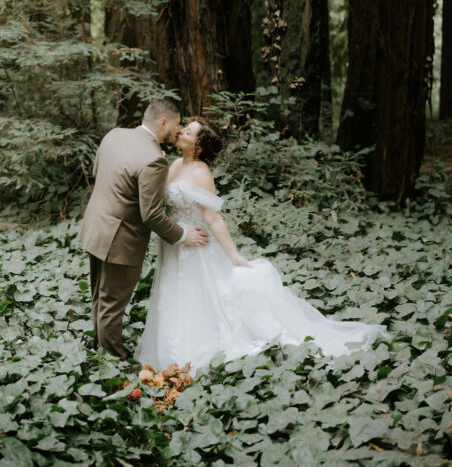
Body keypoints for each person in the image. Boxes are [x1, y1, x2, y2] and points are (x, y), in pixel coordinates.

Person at [136, 117, 390, 371]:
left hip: (195, 247)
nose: (180, 132)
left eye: (188, 132)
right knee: (172, 295)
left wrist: (233, 255)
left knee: (194, 298)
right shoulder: (176, 163)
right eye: (184, 128)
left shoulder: (201, 172)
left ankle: (191, 354)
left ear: (198, 146)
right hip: (175, 242)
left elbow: (213, 219)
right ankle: (168, 351)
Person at [78, 99, 208, 360]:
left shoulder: (114, 135)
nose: (178, 129)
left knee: (99, 298)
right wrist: (182, 235)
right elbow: (151, 214)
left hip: (95, 226)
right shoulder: (153, 160)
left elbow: (98, 171)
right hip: (120, 240)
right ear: (163, 122)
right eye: (177, 123)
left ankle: (99, 351)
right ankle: (114, 360)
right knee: (112, 305)